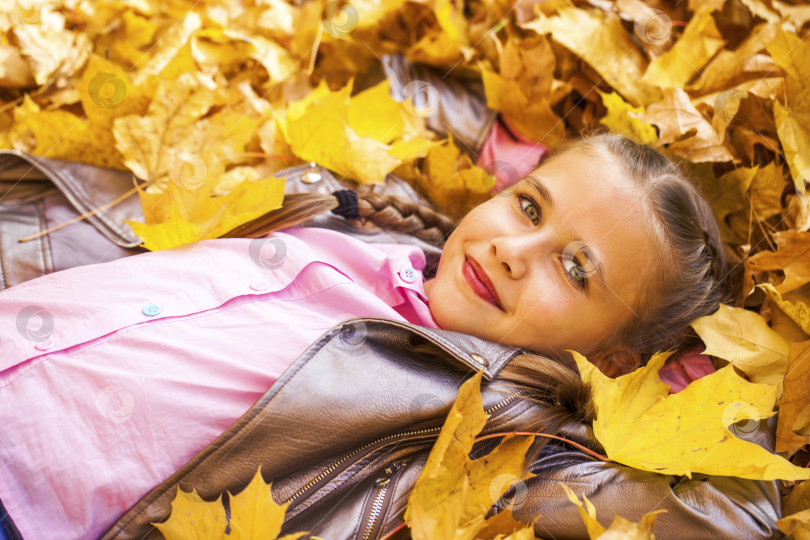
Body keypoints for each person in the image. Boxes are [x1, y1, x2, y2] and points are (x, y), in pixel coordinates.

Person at [0, 134, 780, 540]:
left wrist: (735, 357)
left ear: (611, 359)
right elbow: (425, 85)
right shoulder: (377, 224)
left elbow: (729, 519)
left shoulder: (492, 432)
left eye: (575, 269)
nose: (514, 247)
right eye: (531, 207)